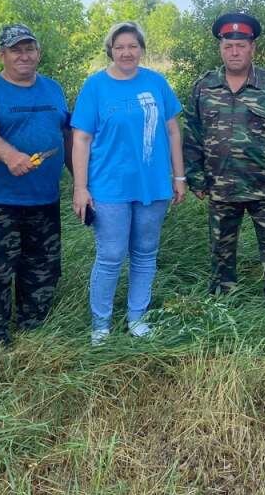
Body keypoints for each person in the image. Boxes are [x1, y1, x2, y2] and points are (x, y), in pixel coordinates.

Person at [71, 22, 187, 345]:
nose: (126, 52)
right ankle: (101, 325)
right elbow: (81, 138)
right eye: (120, 46)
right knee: (110, 255)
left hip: (152, 185)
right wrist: (80, 187)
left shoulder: (156, 83)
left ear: (141, 49)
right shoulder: (95, 87)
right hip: (108, 186)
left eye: (133, 46)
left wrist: (179, 176)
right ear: (110, 49)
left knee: (146, 254)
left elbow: (173, 130)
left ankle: (138, 317)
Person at [183, 12, 265, 312]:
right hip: (220, 184)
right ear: (220, 48)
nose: (234, 52)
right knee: (220, 250)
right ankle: (224, 303)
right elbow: (192, 134)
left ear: (253, 48)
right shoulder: (204, 86)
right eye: (228, 46)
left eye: (240, 45)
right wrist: (194, 177)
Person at [0, 24, 72, 354]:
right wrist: (11, 155)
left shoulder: (53, 89)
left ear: (38, 53)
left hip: (44, 198)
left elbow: (67, 137)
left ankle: (33, 330)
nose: (24, 55)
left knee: (42, 267)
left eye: (29, 49)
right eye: (16, 50)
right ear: (2, 55)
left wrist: (83, 180)